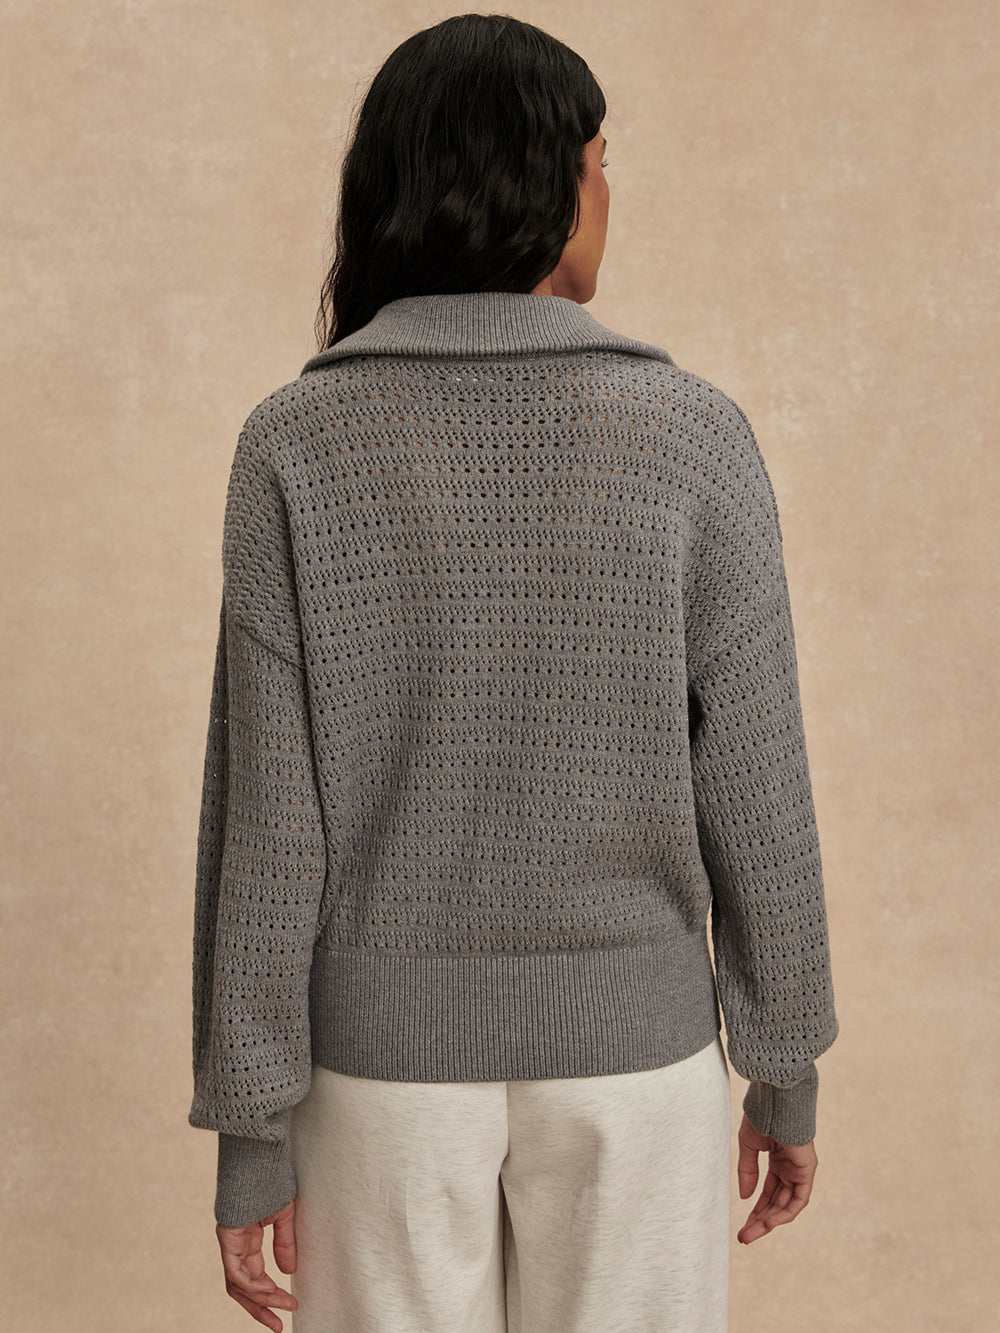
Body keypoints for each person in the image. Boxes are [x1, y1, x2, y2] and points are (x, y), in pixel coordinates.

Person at [187, 13, 839, 1332]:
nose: (608, 195)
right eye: (600, 161)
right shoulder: (692, 435)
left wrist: (255, 1127)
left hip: (377, 1084)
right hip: (635, 1064)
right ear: (548, 182)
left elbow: (270, 826)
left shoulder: (294, 443)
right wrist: (786, 1066)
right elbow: (757, 787)